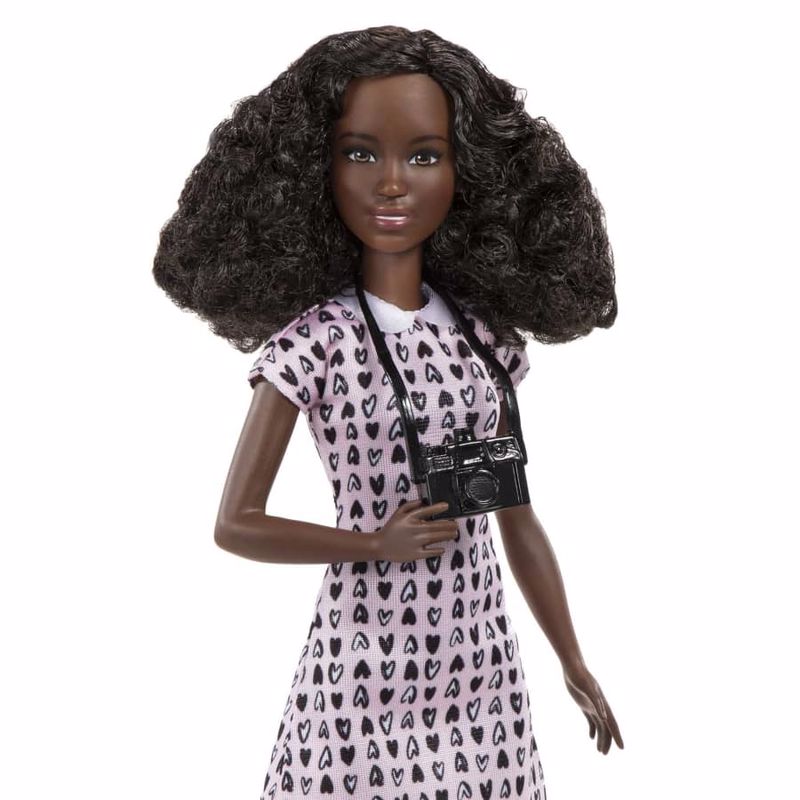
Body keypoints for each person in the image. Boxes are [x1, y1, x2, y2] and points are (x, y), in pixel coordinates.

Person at [153, 24, 623, 800]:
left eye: (425, 156)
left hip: (480, 667)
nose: (393, 183)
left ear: (467, 171)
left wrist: (571, 660)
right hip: (365, 664)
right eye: (361, 154)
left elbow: (515, 519)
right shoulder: (316, 343)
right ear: (318, 169)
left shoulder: (481, 341)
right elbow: (236, 523)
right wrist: (373, 543)